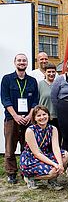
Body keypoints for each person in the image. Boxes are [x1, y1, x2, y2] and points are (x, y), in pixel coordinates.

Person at [1, 53, 39, 184]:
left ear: (27, 63)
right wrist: (16, 116)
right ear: (15, 62)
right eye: (19, 60)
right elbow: (5, 99)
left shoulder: (32, 81)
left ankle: (25, 171)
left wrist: (29, 115)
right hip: (12, 118)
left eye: (24, 61)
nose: (22, 62)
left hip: (28, 119)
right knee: (10, 147)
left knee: (27, 146)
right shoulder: (7, 79)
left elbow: (35, 100)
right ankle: (11, 173)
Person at [19, 105, 68, 190]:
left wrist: (60, 164)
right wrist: (54, 164)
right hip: (31, 158)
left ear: (48, 115)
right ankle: (30, 178)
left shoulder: (53, 129)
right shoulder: (30, 131)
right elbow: (36, 153)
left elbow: (56, 148)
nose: (42, 117)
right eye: (38, 115)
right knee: (53, 172)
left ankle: (51, 182)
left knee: (65, 154)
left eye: (44, 114)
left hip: (45, 154)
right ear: (34, 118)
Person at [38, 63, 60, 141]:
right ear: (45, 73)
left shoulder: (58, 84)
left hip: (56, 117)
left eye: (53, 72)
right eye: (49, 72)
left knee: (56, 139)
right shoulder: (40, 84)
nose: (51, 74)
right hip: (43, 118)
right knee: (44, 140)